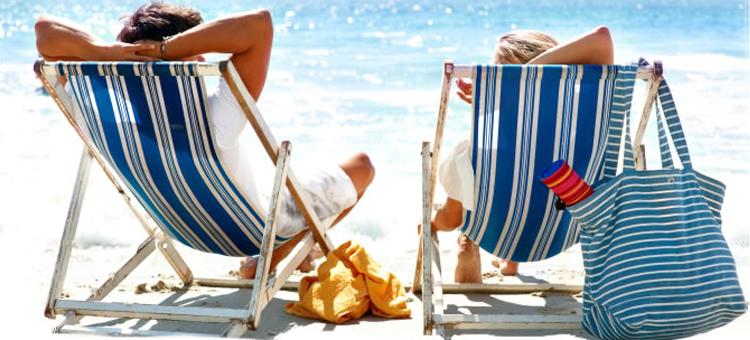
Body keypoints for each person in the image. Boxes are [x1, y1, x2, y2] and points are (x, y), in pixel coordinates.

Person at [34, 2, 375, 279]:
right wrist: (167, 52)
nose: (201, 59)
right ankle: (272, 258)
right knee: (362, 166)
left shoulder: (101, 119)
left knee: (289, 187)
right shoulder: (215, 121)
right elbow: (260, 25)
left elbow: (44, 32)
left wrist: (107, 52)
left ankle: (283, 256)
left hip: (182, 229)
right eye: (196, 50)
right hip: (253, 231)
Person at [430, 26, 614, 283]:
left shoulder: (481, 152)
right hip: (560, 231)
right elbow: (602, 39)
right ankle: (510, 263)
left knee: (474, 172)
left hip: (495, 231)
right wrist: (512, 90)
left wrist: (508, 88)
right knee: (539, 168)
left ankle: (460, 237)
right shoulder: (580, 123)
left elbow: (454, 217)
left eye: (500, 75)